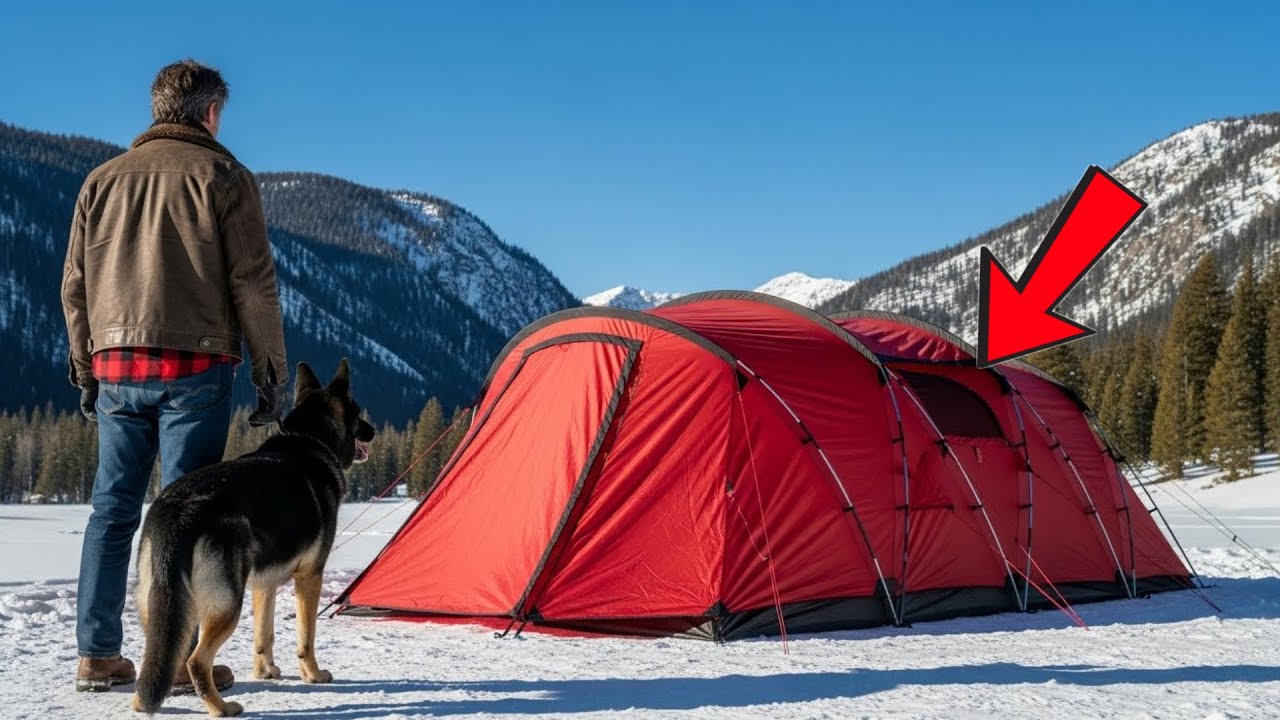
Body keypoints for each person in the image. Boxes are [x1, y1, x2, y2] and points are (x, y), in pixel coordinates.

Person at [61, 59, 289, 693]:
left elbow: (74, 286)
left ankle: (97, 654)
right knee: (186, 513)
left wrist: (86, 367)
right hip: (196, 364)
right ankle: (183, 662)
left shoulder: (100, 182)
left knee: (112, 511)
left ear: (158, 108)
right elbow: (253, 284)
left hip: (115, 365)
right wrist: (273, 375)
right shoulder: (225, 175)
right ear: (210, 113)